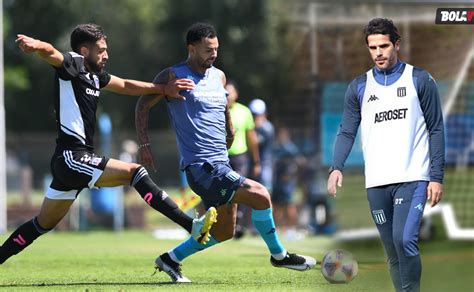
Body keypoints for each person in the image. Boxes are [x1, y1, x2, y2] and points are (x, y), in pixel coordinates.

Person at [0, 24, 217, 265]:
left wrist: (163, 89)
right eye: (101, 50)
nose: (106, 55)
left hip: (70, 162)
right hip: (73, 157)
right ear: (84, 51)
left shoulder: (94, 76)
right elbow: (52, 53)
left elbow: (124, 85)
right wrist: (38, 46)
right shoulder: (73, 63)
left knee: (42, 224)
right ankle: (191, 226)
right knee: (136, 173)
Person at [136, 22, 316, 283]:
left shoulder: (219, 77)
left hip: (222, 163)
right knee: (261, 194)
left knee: (224, 231)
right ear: (192, 48)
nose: (214, 54)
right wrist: (144, 145)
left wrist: (230, 129)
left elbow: (223, 107)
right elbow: (142, 105)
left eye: (216, 49)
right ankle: (279, 255)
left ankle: (170, 259)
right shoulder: (173, 76)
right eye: (208, 49)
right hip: (201, 167)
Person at [327, 18, 444, 292]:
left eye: (384, 46)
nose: (378, 52)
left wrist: (436, 177)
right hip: (376, 182)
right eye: (372, 47)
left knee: (404, 240)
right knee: (392, 250)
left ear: (397, 45)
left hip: (413, 177)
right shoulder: (358, 87)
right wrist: (336, 167)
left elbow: (436, 129)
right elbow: (346, 131)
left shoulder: (420, 79)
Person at [225, 80, 261, 238]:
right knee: (223, 191)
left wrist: (257, 161)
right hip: (221, 157)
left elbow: (252, 137)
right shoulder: (216, 109)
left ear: (236, 94)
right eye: (225, 92)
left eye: (230, 92)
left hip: (240, 157)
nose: (227, 96)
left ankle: (238, 224)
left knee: (238, 189)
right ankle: (224, 223)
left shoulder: (244, 111)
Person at [249, 98, 274, 192]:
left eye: (258, 115)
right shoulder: (252, 127)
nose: (256, 117)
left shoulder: (268, 128)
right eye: (254, 115)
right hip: (252, 164)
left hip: (265, 164)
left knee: (265, 191)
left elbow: (255, 141)